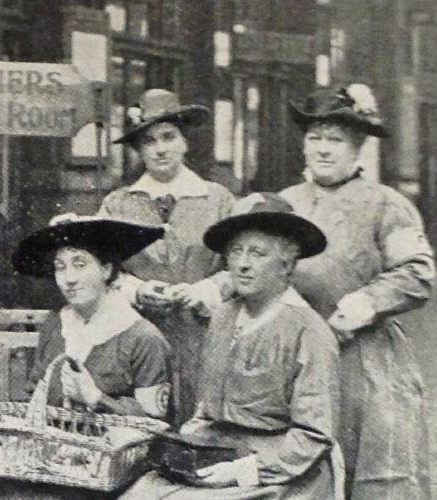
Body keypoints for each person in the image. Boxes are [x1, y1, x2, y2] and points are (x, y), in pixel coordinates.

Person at [179, 84, 434, 499]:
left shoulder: (386, 204)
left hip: (362, 359)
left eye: (335, 139)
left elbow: (418, 271)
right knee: (299, 465)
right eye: (315, 138)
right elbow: (258, 263)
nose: (323, 149)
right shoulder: (286, 201)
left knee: (367, 466)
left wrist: (369, 301)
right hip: (291, 352)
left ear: (358, 148)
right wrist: (212, 287)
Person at [122, 193, 341, 499]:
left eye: (257, 253)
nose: (242, 264)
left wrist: (241, 471)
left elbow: (313, 437)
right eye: (236, 251)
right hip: (217, 454)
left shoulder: (309, 332)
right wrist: (188, 442)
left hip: (282, 473)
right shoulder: (224, 316)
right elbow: (206, 411)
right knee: (138, 492)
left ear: (287, 264)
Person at [0, 216, 171, 500]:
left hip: (111, 473)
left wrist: (97, 398)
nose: (69, 279)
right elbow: (36, 392)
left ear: (107, 269)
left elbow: (156, 426)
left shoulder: (144, 338)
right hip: (50, 461)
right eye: (60, 268)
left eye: (80, 264)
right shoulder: (55, 324)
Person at [93, 88, 235, 424]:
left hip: (206, 338)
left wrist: (208, 290)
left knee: (202, 427)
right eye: (148, 141)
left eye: (168, 137)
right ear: (139, 150)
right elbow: (99, 268)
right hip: (139, 340)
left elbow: (242, 267)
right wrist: (136, 290)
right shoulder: (118, 204)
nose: (160, 149)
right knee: (143, 426)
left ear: (185, 141)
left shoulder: (218, 201)